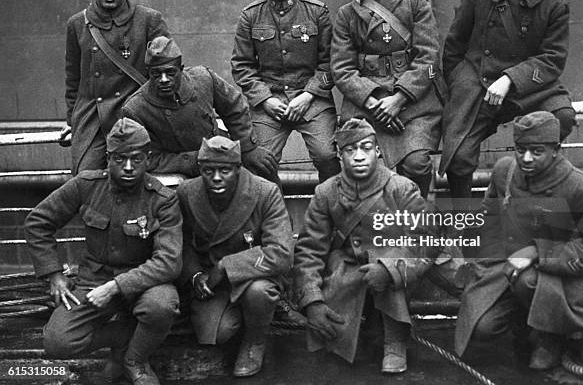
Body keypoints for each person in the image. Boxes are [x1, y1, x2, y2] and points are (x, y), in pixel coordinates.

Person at [25, 118, 183, 385]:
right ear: (108, 158)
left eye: (136, 159)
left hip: (144, 282)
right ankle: (124, 338)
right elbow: (38, 222)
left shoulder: (162, 199)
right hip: (93, 279)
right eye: (120, 160)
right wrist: (53, 274)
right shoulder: (86, 185)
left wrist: (115, 287)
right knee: (58, 342)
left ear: (149, 158)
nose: (129, 167)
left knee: (161, 306)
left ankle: (136, 360)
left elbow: (168, 262)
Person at [455, 111, 583, 369]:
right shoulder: (505, 171)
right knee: (482, 328)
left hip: (562, 280)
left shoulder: (580, 188)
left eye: (536, 151)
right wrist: (476, 257)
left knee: (527, 281)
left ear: (556, 150)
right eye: (520, 149)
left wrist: (535, 252)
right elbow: (488, 219)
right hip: (506, 268)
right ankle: (525, 325)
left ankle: (550, 337)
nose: (526, 158)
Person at [440, 0, 576, 200]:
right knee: (459, 156)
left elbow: (552, 59)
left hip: (528, 87)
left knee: (562, 116)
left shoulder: (553, 6)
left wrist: (509, 79)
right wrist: (461, 83)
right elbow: (454, 46)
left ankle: (528, 188)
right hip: (479, 83)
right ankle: (460, 225)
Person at [293, 118, 441, 373]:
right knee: (333, 343)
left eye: (366, 148)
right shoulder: (326, 192)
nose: (359, 156)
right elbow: (309, 249)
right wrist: (312, 301)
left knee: (387, 264)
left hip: (397, 265)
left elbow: (425, 239)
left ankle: (395, 340)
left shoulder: (400, 187)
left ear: (378, 151)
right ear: (340, 155)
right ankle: (364, 327)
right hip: (350, 267)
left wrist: (389, 269)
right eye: (351, 150)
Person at [331, 0, 443, 198]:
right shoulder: (347, 14)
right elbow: (341, 69)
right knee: (365, 167)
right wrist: (377, 102)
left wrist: (399, 99)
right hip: (367, 105)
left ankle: (416, 218)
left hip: (414, 104)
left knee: (416, 164)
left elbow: (429, 58)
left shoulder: (414, 2)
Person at [177, 136, 293, 377]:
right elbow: (182, 243)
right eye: (209, 170)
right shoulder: (187, 192)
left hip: (256, 275)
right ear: (200, 170)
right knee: (218, 334)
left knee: (259, 293)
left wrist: (226, 267)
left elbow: (281, 253)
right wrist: (195, 274)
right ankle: (244, 317)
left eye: (225, 170)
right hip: (212, 283)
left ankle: (255, 340)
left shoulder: (264, 192)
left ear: (239, 169)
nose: (217, 178)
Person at [231, 0, 340, 183]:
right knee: (259, 161)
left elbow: (330, 63)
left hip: (312, 100)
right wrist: (266, 99)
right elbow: (242, 66)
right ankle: (274, 215)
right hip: (270, 100)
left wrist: (308, 95)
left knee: (327, 155)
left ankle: (332, 212)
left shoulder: (317, 13)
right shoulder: (251, 15)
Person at [62, 0, 170, 174]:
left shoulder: (148, 20)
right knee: (86, 179)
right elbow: (73, 79)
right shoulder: (77, 24)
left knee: (136, 176)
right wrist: (72, 121)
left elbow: (168, 70)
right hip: (93, 119)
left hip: (135, 116)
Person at [122, 36, 278, 181]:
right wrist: (196, 159)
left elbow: (234, 108)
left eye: (170, 72)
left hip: (219, 153)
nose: (163, 79)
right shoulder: (135, 109)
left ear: (181, 69)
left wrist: (247, 148)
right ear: (148, 73)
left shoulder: (203, 78)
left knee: (264, 169)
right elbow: (148, 159)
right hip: (179, 171)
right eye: (156, 74)